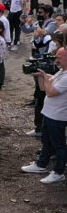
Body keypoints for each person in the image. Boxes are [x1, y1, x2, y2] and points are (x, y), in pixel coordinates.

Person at [20, 47, 67, 184]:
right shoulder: (61, 72)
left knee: (59, 145)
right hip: (49, 113)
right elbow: (43, 88)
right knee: (46, 141)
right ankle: (41, 165)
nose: (56, 60)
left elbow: (51, 92)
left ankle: (58, 172)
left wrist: (45, 78)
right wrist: (41, 76)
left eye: (59, 57)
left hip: (58, 116)